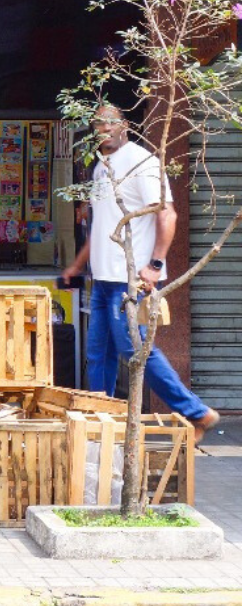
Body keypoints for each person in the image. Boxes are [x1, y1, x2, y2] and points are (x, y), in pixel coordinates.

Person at [60, 105, 220, 436]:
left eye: (110, 123)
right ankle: (97, 419)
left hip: (128, 279)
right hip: (103, 279)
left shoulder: (141, 162)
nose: (103, 128)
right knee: (97, 353)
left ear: (125, 126)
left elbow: (168, 215)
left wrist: (155, 264)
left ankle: (197, 411)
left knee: (134, 349)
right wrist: (78, 264)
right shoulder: (101, 167)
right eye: (98, 124)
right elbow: (105, 226)